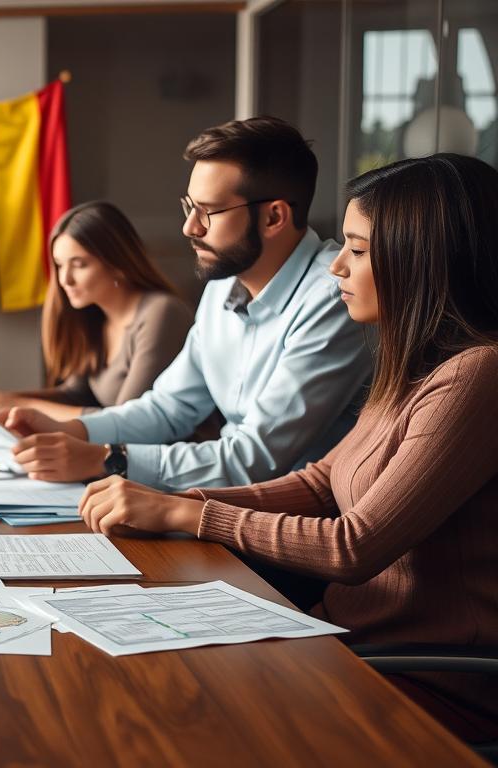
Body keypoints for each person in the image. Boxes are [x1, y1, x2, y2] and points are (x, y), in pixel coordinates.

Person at [75, 154, 498, 737]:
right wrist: (177, 501)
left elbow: (354, 547)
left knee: (169, 714)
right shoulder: (413, 366)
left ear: (421, 257)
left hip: (421, 677)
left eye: (357, 249)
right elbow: (321, 483)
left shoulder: (477, 375)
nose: (337, 270)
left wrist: (190, 513)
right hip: (344, 641)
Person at [6, 116, 373, 490]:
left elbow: (254, 458)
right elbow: (170, 408)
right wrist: (73, 430)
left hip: (287, 521)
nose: (190, 228)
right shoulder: (223, 285)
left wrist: (109, 459)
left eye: (208, 212)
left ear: (274, 216)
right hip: (228, 503)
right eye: (189, 207)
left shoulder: (335, 295)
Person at [0, 201, 192, 423]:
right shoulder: (94, 315)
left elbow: (127, 421)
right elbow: (77, 395)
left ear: (118, 262)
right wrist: (6, 399)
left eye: (79, 264)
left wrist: (25, 405)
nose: (65, 280)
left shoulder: (162, 313)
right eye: (59, 264)